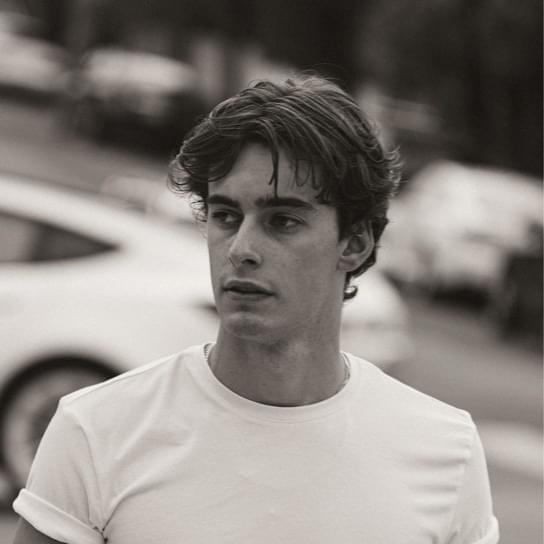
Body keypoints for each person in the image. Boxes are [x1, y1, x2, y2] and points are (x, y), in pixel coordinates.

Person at [12, 75, 499, 543]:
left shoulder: (444, 452)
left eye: (282, 220)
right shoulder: (97, 429)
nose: (241, 248)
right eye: (226, 216)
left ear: (354, 242)